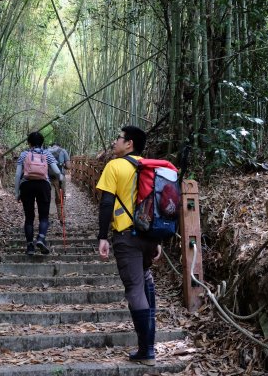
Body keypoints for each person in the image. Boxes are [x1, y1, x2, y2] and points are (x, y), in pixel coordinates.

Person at [96, 125, 162, 366]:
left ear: (129, 143)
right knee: (144, 279)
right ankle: (149, 346)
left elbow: (106, 203)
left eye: (119, 138)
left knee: (135, 289)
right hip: (149, 235)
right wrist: (157, 240)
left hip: (126, 236)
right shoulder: (150, 167)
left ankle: (147, 351)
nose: (115, 141)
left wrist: (102, 236)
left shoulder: (115, 165)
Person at [15, 132, 62, 255]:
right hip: (43, 185)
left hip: (27, 185)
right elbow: (57, 171)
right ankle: (41, 238)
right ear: (42, 143)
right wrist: (61, 178)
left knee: (29, 218)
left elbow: (17, 175)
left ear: (29, 143)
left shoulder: (24, 154)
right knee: (44, 217)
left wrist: (17, 192)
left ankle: (30, 246)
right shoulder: (47, 153)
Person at [48, 142, 71, 222]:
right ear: (59, 146)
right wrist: (63, 165)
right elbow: (68, 166)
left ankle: (46, 217)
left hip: (47, 178)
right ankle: (61, 217)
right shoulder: (63, 151)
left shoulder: (46, 151)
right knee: (60, 197)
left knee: (47, 197)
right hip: (60, 177)